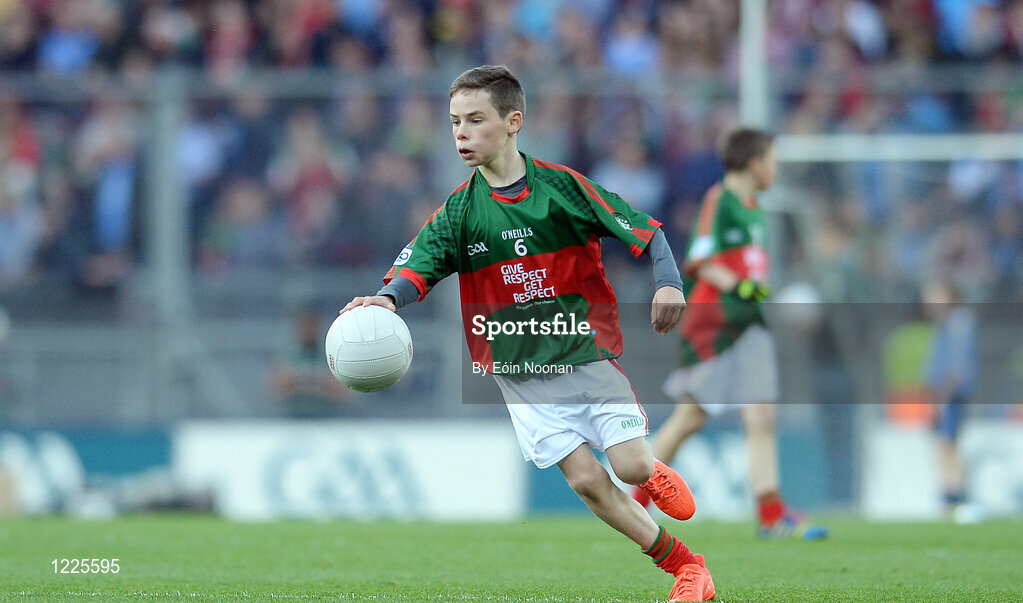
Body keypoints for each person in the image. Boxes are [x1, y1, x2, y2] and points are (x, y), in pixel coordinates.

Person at [340, 65, 715, 602]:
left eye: (475, 119)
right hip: (521, 374)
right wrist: (386, 300)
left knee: (629, 465)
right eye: (454, 122)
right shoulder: (459, 212)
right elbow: (416, 269)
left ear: (513, 121)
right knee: (586, 481)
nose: (461, 133)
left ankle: (650, 468)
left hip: (582, 352)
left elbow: (646, 230)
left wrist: (669, 284)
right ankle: (687, 568)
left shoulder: (562, 187)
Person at [633, 128, 827, 541]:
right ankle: (634, 504)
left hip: (749, 322)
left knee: (762, 415)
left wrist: (752, 289)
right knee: (689, 419)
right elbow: (700, 260)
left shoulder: (754, 207)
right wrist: (739, 285)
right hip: (714, 324)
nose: (775, 168)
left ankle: (771, 515)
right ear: (755, 162)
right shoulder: (720, 200)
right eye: (772, 160)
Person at [921, 278, 979, 522]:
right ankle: (951, 497)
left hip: (950, 395)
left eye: (935, 294)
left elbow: (957, 365)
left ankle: (957, 499)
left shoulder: (959, 322)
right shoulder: (945, 324)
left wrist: (943, 397)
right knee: (945, 445)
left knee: (948, 444)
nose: (930, 301)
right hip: (944, 394)